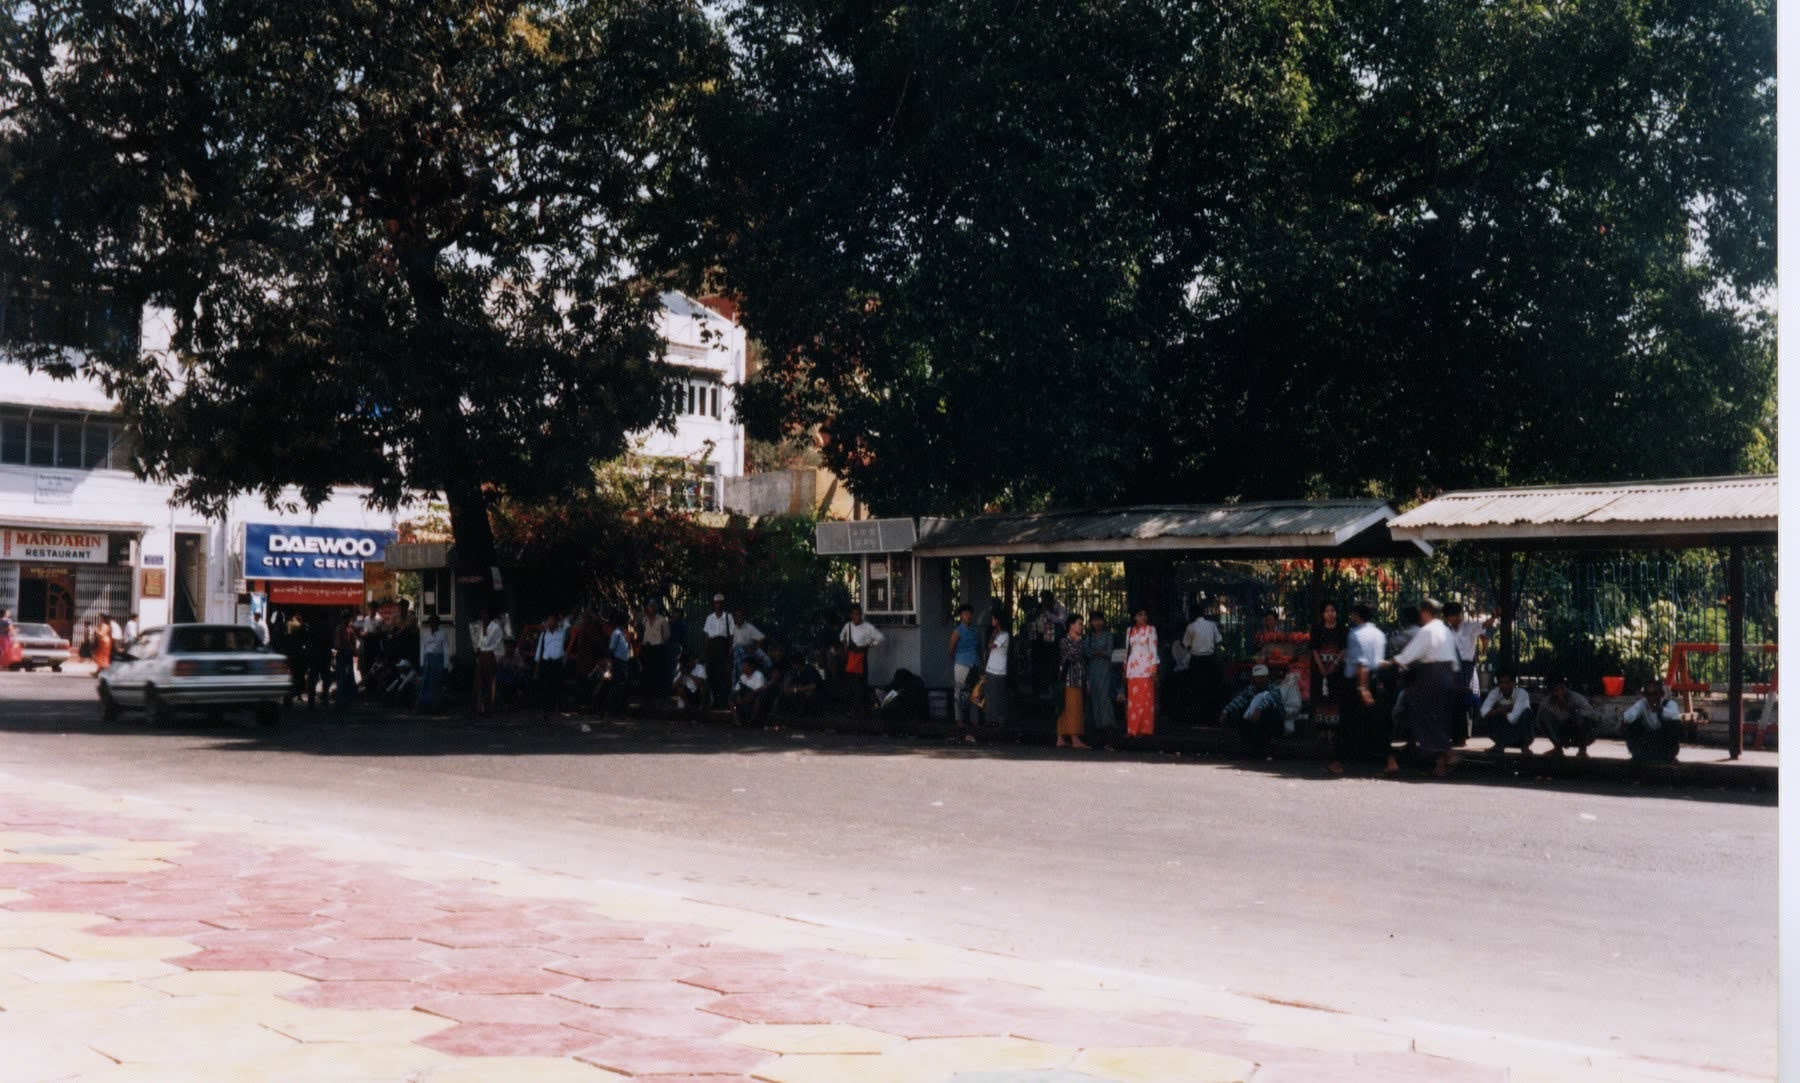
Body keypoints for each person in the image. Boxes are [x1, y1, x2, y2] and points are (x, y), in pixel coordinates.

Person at [1389, 598, 1459, 777]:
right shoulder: (1445, 630)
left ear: (1426, 612)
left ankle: (1447, 752)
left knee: (1425, 715)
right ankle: (1440, 764)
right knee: (1439, 718)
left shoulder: (1427, 631)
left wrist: (1394, 661)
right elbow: (1454, 659)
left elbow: (1411, 653)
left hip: (1432, 676)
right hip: (1448, 676)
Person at [1330, 603, 1395, 775]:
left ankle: (1338, 762)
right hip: (1375, 680)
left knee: (1346, 723)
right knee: (1378, 723)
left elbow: (1362, 663)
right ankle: (1390, 760)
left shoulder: (1355, 634)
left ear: (1357, 615)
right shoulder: (1380, 634)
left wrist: (1362, 688)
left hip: (1357, 683)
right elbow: (1379, 661)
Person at [1443, 602, 1493, 746]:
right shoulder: (1447, 632)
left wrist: (1494, 616)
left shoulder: (1469, 627)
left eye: (1457, 615)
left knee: (1464, 698)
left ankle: (1463, 735)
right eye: (1452, 616)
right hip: (1451, 667)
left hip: (1466, 667)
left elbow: (1485, 626)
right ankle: (1454, 734)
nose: (1456, 618)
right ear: (1447, 617)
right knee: (1453, 700)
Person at [1221, 663, 1285, 756]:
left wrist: (1259, 709)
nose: (1260, 680)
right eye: (1257, 677)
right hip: (1254, 721)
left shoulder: (1274, 688)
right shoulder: (1250, 689)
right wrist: (1226, 710)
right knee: (1242, 712)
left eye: (1262, 677)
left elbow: (1270, 699)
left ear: (1267, 677)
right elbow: (1240, 700)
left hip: (1272, 720)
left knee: (1271, 715)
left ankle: (1271, 741)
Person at [1537, 675, 1600, 758]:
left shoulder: (1576, 698)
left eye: (1561, 689)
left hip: (1576, 731)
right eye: (1555, 690)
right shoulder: (1546, 703)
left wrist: (1575, 711)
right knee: (1543, 715)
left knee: (1582, 719)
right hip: (1560, 732)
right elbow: (1539, 723)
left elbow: (1594, 715)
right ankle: (1557, 748)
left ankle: (1582, 750)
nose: (1559, 693)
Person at [1623, 679, 1682, 764]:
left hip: (1664, 741)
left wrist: (1661, 710)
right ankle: (1638, 755)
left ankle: (1668, 756)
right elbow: (1629, 715)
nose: (1651, 698)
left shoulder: (1670, 704)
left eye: (1655, 695)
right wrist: (1625, 721)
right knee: (1632, 724)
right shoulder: (1642, 704)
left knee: (1675, 724)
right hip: (1648, 739)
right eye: (1648, 695)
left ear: (1661, 694)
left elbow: (1675, 716)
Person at [839, 605, 884, 717]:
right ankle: (852, 709)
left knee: (860, 685)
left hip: (861, 658)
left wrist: (869, 645)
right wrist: (844, 643)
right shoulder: (847, 626)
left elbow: (880, 638)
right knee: (850, 685)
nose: (858, 616)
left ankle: (862, 710)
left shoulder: (867, 627)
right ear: (851, 615)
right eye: (855, 614)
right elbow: (841, 636)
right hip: (850, 658)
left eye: (859, 614)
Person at [1182, 605, 1224, 721]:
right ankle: (1210, 715)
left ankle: (1197, 715)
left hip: (1196, 660)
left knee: (1196, 689)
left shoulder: (1191, 627)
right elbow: (1218, 641)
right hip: (1210, 660)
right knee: (1210, 688)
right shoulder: (1212, 625)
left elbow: (1186, 644)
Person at [1055, 614, 1090, 749]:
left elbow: (1083, 661)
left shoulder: (1080, 641)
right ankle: (1074, 738)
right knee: (1070, 709)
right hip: (1070, 679)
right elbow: (1074, 655)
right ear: (1071, 625)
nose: (1081, 627)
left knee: (1070, 708)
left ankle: (1062, 737)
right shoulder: (1065, 641)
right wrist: (1077, 642)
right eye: (1079, 624)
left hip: (1078, 678)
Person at [948, 604, 981, 742]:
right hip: (962, 664)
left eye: (970, 614)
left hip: (974, 664)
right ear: (961, 616)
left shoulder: (974, 630)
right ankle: (959, 719)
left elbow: (979, 646)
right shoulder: (958, 631)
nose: (968, 616)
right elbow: (951, 648)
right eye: (966, 614)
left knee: (975, 693)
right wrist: (957, 660)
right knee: (959, 692)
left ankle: (974, 719)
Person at [1311, 602, 1347, 726]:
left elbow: (1343, 649)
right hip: (1320, 669)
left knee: (1334, 696)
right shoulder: (1317, 628)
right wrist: (1321, 666)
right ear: (1323, 614)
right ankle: (1321, 728)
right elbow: (1314, 649)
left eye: (1332, 611)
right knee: (1321, 696)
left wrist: (1335, 663)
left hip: (1336, 670)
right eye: (1327, 611)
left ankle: (1333, 728)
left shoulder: (1341, 628)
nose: (1330, 614)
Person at [1124, 608, 1159, 737]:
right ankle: (1132, 729)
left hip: (1146, 668)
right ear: (1134, 617)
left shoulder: (1151, 630)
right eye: (1139, 615)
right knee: (1133, 700)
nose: (1143, 617)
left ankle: (1145, 729)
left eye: (1145, 614)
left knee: (1145, 700)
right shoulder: (1129, 631)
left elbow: (1153, 649)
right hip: (1133, 669)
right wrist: (1125, 667)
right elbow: (1127, 651)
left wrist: (1154, 669)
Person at [1480, 671, 1533, 755]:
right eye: (1501, 683)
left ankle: (1524, 746)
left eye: (1507, 683)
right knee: (1491, 714)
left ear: (1513, 683)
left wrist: (1500, 709)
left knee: (1525, 713)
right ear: (1498, 684)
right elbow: (1483, 712)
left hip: (1520, 734)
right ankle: (1499, 744)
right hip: (1504, 733)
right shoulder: (1494, 692)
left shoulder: (1522, 693)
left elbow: (1513, 718)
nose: (1504, 686)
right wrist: (1504, 709)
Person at [1082, 613, 1118, 737]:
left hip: (1105, 666)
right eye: (1095, 621)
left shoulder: (1108, 635)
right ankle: (1097, 724)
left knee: (1104, 694)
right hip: (1093, 667)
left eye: (1099, 620)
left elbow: (1110, 651)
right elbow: (1086, 651)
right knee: (1094, 693)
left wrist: (1101, 653)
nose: (1097, 623)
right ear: (1091, 622)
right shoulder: (1089, 636)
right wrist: (1094, 653)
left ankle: (1107, 723)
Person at [702, 595, 736, 704]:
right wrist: (706, 649)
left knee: (723, 674)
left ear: (723, 603)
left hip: (722, 646)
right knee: (711, 673)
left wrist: (730, 648)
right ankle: (713, 700)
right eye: (716, 603)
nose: (718, 605)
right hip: (712, 646)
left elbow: (731, 635)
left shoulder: (728, 617)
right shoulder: (709, 618)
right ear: (714, 604)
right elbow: (707, 635)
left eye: (720, 602)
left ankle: (723, 700)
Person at [980, 606, 1011, 726]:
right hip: (991, 668)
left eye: (994, 619)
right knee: (990, 696)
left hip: (999, 669)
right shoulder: (998, 633)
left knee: (998, 696)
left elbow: (991, 645)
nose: (992, 621)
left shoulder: (1004, 635)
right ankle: (991, 719)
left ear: (998, 621)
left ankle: (999, 719)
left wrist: (993, 633)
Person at [535, 610, 569, 718]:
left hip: (557, 662)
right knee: (546, 686)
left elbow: (568, 627)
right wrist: (537, 665)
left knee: (557, 686)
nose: (551, 622)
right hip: (547, 662)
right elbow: (540, 649)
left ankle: (557, 709)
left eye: (553, 620)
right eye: (549, 620)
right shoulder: (544, 634)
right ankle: (546, 709)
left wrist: (562, 620)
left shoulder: (561, 632)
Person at [472, 607, 505, 716]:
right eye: (482, 614)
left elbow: (497, 644)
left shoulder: (495, 628)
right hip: (481, 657)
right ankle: (480, 708)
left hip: (490, 656)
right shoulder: (480, 627)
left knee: (489, 683)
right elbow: (479, 642)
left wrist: (495, 656)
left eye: (485, 614)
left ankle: (489, 708)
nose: (483, 617)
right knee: (479, 683)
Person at [636, 601, 671, 701]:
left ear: (656, 608)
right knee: (646, 673)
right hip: (647, 648)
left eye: (652, 606)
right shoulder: (645, 620)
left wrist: (660, 643)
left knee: (656, 673)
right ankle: (646, 696)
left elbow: (667, 635)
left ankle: (657, 696)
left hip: (657, 649)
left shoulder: (662, 620)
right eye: (649, 606)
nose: (650, 609)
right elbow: (638, 627)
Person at [417, 613, 450, 711]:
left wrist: (446, 664)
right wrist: (422, 663)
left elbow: (446, 650)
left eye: (434, 623)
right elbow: (423, 648)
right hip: (428, 660)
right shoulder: (426, 634)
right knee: (426, 683)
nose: (433, 625)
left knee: (436, 683)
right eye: (431, 623)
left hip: (438, 660)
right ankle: (425, 704)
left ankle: (436, 705)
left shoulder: (443, 634)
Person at [777, 653, 825, 718]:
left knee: (808, 695)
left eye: (793, 664)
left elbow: (813, 686)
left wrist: (797, 689)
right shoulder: (797, 672)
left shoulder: (809, 670)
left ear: (797, 664)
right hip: (803, 691)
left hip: (817, 693)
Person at [731, 657, 774, 726]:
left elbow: (758, 690)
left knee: (757, 699)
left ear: (751, 667)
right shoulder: (743, 676)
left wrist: (747, 697)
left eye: (745, 666)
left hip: (755, 696)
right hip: (745, 696)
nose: (743, 667)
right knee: (732, 698)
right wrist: (738, 697)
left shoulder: (758, 675)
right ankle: (737, 720)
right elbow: (737, 689)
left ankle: (752, 721)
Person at [333, 611, 359, 709]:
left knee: (348, 678)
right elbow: (338, 643)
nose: (347, 620)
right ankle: (341, 702)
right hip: (343, 654)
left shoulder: (349, 629)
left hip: (347, 655)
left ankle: (346, 701)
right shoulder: (341, 629)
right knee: (342, 678)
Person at [672, 648, 709, 715]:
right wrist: (682, 675)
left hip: (697, 695)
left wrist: (689, 675)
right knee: (680, 689)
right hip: (687, 696)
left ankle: (700, 708)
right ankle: (688, 708)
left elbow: (701, 682)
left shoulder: (700, 668)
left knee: (703, 687)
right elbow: (673, 686)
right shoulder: (682, 669)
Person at [730, 607, 768, 674]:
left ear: (744, 617)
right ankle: (742, 675)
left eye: (741, 616)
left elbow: (761, 638)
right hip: (736, 652)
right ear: (734, 617)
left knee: (767, 661)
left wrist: (755, 648)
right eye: (737, 616)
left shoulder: (749, 627)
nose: (739, 618)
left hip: (749, 649)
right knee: (738, 649)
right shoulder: (730, 628)